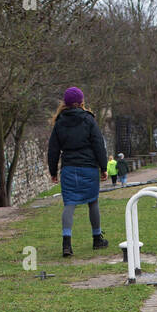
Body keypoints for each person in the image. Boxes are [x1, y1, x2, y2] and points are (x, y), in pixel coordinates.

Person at [47, 87, 109, 257]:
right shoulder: (89, 120)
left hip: (69, 169)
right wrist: (103, 167)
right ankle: (97, 239)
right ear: (82, 102)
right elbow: (98, 145)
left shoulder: (59, 122)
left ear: (65, 103)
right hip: (88, 168)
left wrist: (53, 171)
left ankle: (66, 244)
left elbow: (53, 149)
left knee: (69, 205)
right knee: (93, 202)